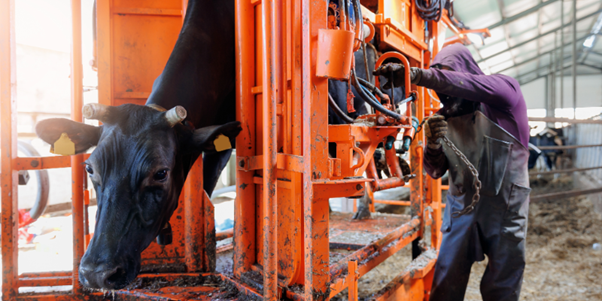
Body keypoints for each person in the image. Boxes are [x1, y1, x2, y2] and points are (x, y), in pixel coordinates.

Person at [374, 43, 530, 301]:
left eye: (447, 79)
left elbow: (463, 83)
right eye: (439, 87)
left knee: (502, 286)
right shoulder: (443, 118)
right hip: (461, 209)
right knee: (446, 283)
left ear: (465, 73)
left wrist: (418, 75)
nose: (444, 92)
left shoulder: (506, 93)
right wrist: (433, 146)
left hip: (505, 210)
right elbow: (435, 171)